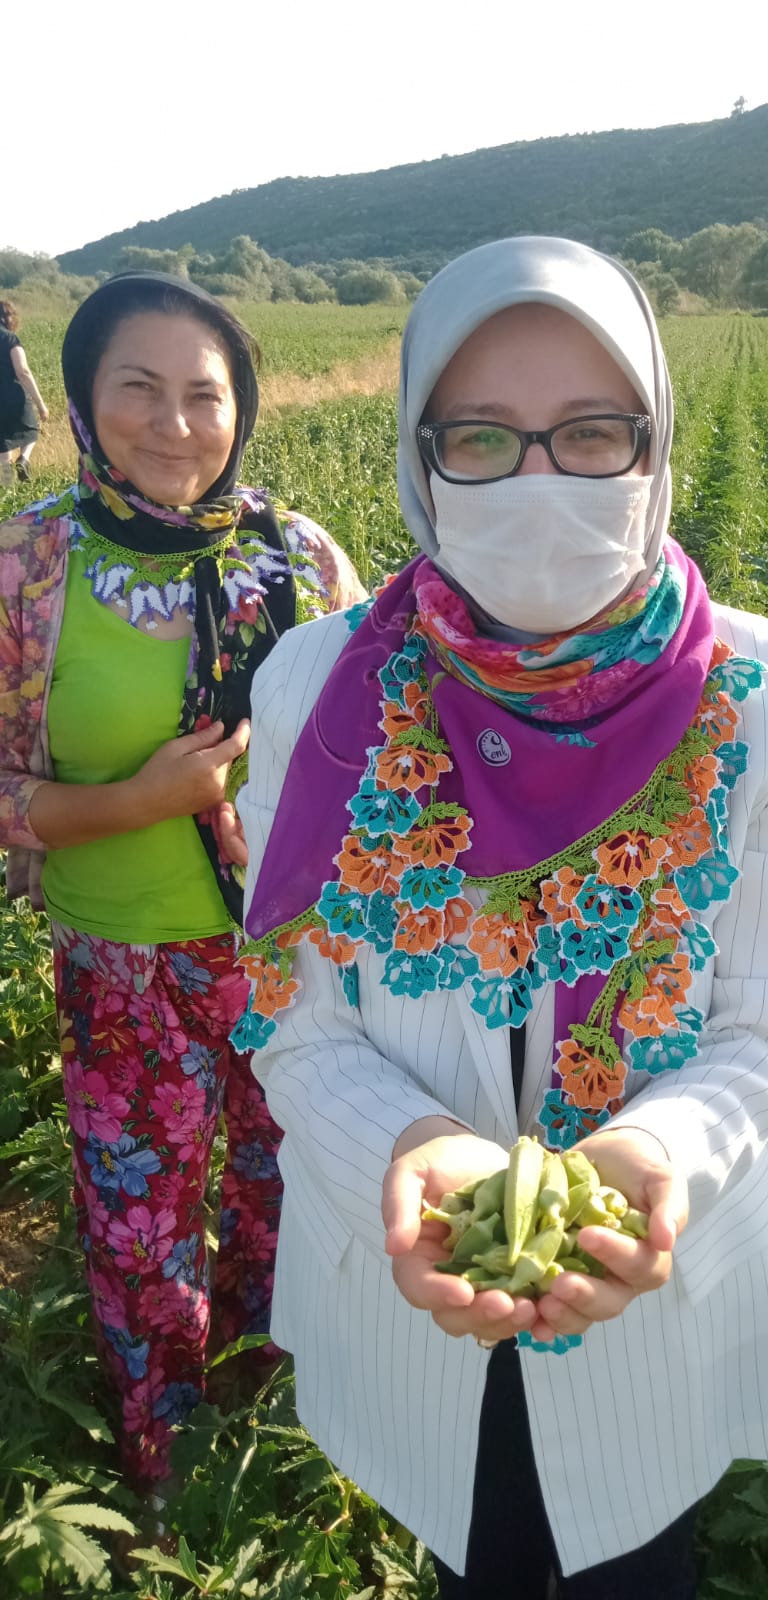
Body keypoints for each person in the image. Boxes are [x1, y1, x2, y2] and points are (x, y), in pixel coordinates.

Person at [235, 235, 768, 1598]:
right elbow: (294, 1018)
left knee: (634, 1556)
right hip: (419, 1294)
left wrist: (650, 1157)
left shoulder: (767, 693)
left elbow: (759, 1032)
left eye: (588, 434)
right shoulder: (317, 692)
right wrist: (402, 1154)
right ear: (420, 454)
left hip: (652, 1285)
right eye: (482, 437)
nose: (539, 481)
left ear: (653, 445)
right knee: (473, 1556)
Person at [0, 271, 365, 1493]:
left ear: (241, 405)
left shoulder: (304, 560)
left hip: (294, 957)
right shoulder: (30, 564)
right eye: (137, 389)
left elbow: (381, 749)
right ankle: (169, 1454)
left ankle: (276, 1425)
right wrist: (138, 804)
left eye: (203, 395)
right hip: (122, 960)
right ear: (85, 399)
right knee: (141, 1220)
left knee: (294, 1192)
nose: (174, 425)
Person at [0, 299, 49, 485]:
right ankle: (24, 459)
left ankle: (6, 491)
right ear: (8, 318)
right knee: (31, 430)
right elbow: (23, 371)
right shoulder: (10, 339)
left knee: (3, 447)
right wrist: (41, 405)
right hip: (13, 395)